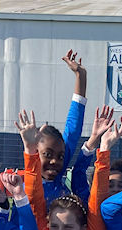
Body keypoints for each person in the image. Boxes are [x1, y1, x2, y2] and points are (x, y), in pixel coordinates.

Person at [19, 106, 118, 230]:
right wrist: (29, 150)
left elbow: (97, 199)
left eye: (69, 227)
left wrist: (103, 149)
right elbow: (34, 197)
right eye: (55, 226)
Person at [39, 49, 89, 206]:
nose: (54, 161)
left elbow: (73, 129)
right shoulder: (25, 184)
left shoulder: (57, 173)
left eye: (61, 156)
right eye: (47, 154)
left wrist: (81, 76)